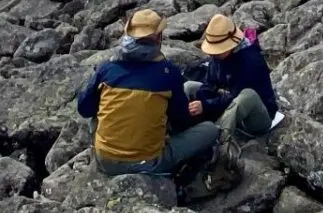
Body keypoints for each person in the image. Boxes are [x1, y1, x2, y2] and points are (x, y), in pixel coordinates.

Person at [76, 10, 219, 179]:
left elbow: (84, 109)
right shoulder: (169, 73)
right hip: (149, 162)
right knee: (210, 130)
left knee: (97, 109)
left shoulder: (106, 68)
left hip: (105, 162)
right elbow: (181, 120)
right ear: (158, 38)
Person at [196, 13, 282, 161]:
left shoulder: (250, 60)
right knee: (191, 87)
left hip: (258, 117)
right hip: (230, 103)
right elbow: (209, 82)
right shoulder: (218, 57)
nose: (213, 54)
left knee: (247, 95)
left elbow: (234, 96)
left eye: (217, 49)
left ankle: (220, 142)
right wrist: (201, 99)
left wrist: (205, 105)